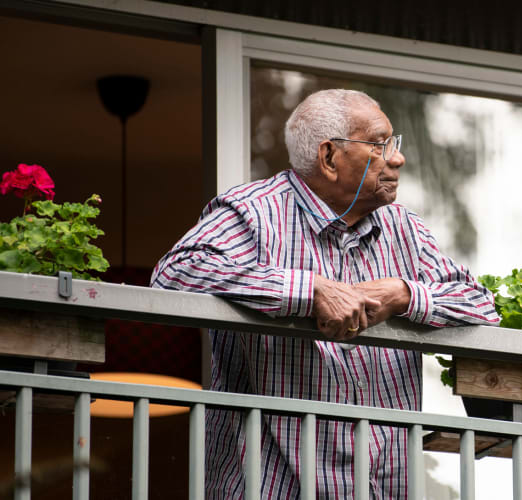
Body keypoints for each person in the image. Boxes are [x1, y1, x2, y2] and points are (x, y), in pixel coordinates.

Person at [151, 89, 499, 499]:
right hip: (271, 487)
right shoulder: (255, 211)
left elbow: (480, 304)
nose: (397, 158)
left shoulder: (404, 228)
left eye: (395, 143)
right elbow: (175, 274)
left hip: (386, 488)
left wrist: (404, 295)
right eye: (379, 143)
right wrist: (307, 290)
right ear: (330, 157)